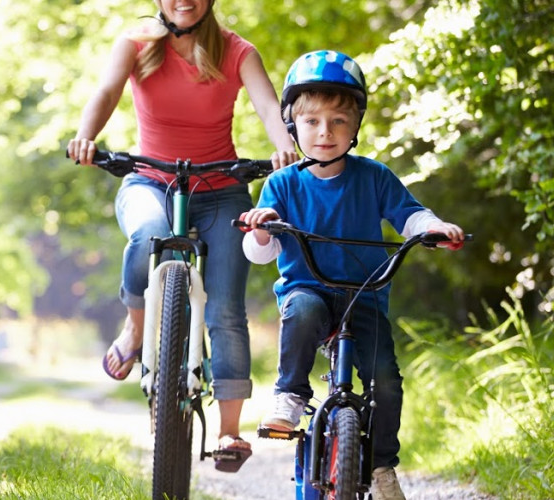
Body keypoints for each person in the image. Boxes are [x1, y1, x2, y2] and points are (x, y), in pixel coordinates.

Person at [66, 0, 298, 473]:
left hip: (221, 190)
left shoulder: (237, 52)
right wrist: (85, 135)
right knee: (147, 235)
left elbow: (269, 107)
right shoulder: (136, 44)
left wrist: (284, 147)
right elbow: (107, 91)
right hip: (150, 180)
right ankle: (135, 328)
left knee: (226, 309)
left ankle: (229, 430)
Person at [239, 50, 465, 500]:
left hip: (365, 295)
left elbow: (410, 216)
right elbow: (258, 253)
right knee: (301, 312)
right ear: (292, 126)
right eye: (313, 122)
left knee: (385, 380)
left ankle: (382, 468)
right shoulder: (283, 183)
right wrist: (262, 228)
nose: (325, 132)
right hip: (309, 289)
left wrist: (433, 227)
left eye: (339, 121)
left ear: (356, 125)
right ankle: (290, 395)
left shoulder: (374, 177)